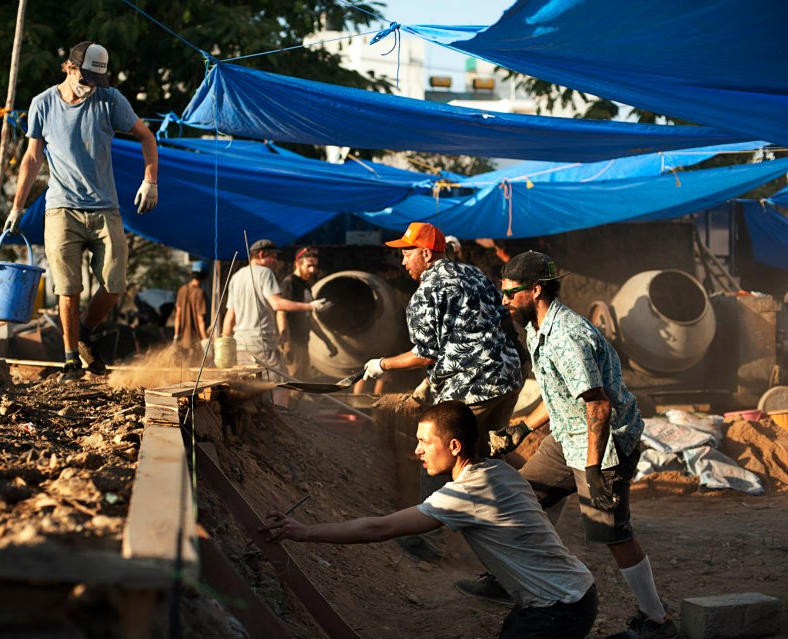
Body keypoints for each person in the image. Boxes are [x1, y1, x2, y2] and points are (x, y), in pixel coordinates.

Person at [261, 401, 598, 639]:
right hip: (573, 592)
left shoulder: (464, 493)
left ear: (454, 446)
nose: (417, 450)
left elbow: (379, 528)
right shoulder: (498, 470)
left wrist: (304, 532)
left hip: (558, 607)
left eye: (425, 442)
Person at [492, 250, 678, 639]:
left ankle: (657, 621)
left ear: (536, 289)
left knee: (612, 532)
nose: (504, 299)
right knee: (522, 497)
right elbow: (560, 393)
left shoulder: (567, 336)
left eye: (510, 292)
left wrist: (593, 471)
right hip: (569, 436)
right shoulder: (536, 328)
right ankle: (509, 580)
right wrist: (522, 428)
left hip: (604, 444)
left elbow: (598, 406)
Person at [362, 221, 524, 561]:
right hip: (507, 379)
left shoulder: (426, 293)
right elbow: (499, 322)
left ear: (425, 253)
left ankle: (430, 540)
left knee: (435, 451)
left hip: (473, 387)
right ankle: (516, 521)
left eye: (407, 253)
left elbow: (425, 354)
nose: (403, 261)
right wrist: (429, 386)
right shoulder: (474, 274)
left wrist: (382, 365)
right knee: (483, 456)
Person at [4, 41, 159, 381]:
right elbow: (32, 157)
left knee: (115, 282)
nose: (90, 87)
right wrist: (17, 206)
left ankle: (86, 331)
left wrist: (150, 181)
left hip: (105, 207)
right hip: (62, 208)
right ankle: (71, 359)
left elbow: (146, 137)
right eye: (86, 79)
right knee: (67, 288)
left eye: (97, 81)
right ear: (70, 68)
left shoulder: (110, 100)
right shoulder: (43, 103)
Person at [222, 239, 332, 406]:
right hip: (262, 344)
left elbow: (230, 316)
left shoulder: (236, 277)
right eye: (273, 256)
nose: (275, 261)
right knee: (281, 386)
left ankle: (256, 419)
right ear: (262, 254)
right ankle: (280, 418)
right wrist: (311, 306)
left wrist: (224, 344)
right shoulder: (265, 273)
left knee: (248, 388)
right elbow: (277, 304)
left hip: (241, 345)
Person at [278, 247, 337, 380]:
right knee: (293, 382)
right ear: (298, 263)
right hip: (293, 342)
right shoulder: (290, 283)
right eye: (309, 265)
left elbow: (309, 318)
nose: (312, 270)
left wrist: (327, 341)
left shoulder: (305, 286)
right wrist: (286, 340)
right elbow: (281, 312)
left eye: (314, 266)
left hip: (303, 342)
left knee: (301, 380)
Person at [172, 261, 210, 366]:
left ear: (191, 274)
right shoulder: (200, 293)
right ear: (205, 277)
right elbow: (200, 320)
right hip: (195, 341)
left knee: (182, 369)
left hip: (182, 340)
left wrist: (176, 336)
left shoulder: (182, 289)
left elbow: (178, 315)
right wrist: (205, 340)